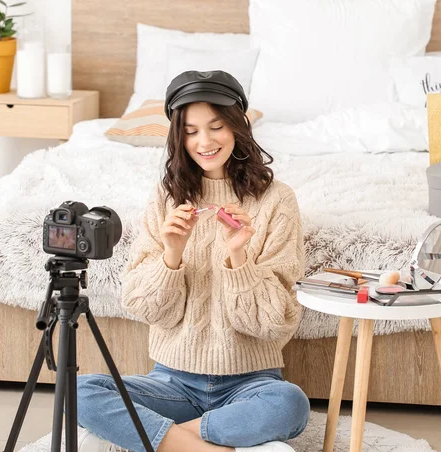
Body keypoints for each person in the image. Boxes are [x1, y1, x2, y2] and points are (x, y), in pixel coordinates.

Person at [76, 70, 309, 452]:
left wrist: (238, 258)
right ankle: (205, 445)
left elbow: (273, 322)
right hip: (172, 383)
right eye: (190, 131)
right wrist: (171, 254)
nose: (204, 142)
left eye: (216, 126)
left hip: (250, 383)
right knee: (79, 391)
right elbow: (141, 306)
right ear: (177, 137)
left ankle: (164, 439)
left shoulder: (277, 201)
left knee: (290, 405)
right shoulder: (166, 199)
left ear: (237, 127)